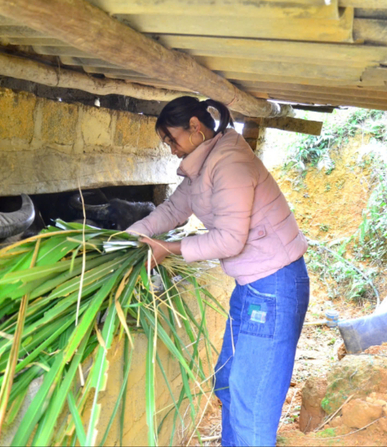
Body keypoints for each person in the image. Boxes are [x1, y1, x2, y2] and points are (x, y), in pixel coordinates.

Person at [126, 96, 310, 447]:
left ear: (195, 127)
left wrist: (170, 250)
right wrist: (126, 241)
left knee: (250, 398)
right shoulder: (205, 164)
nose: (171, 149)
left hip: (275, 285)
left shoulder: (230, 163)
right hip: (253, 286)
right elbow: (172, 211)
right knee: (228, 380)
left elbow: (229, 240)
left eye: (172, 139)